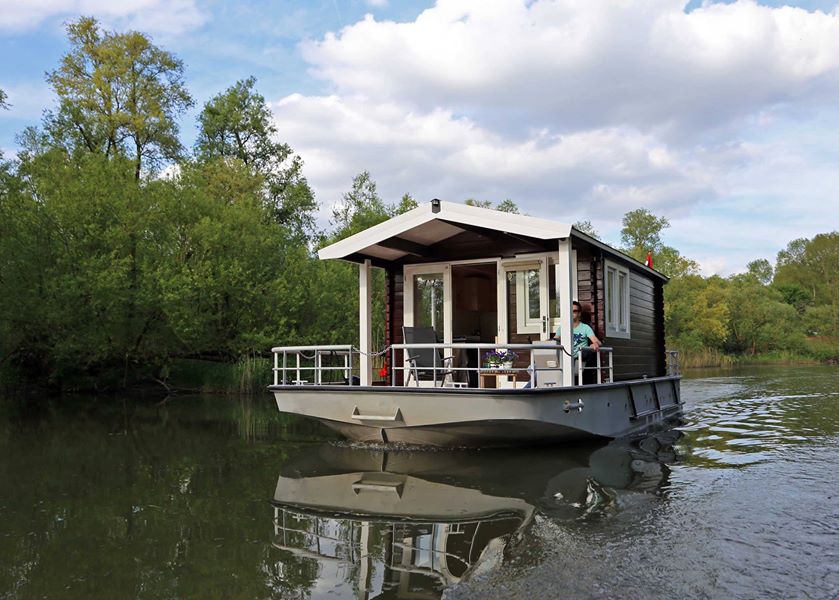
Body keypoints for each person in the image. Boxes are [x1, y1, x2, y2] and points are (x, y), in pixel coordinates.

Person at [555, 301, 601, 382]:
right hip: (563, 359)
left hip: (578, 359)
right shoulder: (562, 327)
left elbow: (597, 342)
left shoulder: (585, 327)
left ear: (579, 313)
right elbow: (554, 341)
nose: (572, 313)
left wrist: (594, 345)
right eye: (570, 311)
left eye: (575, 311)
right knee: (535, 368)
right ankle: (527, 391)